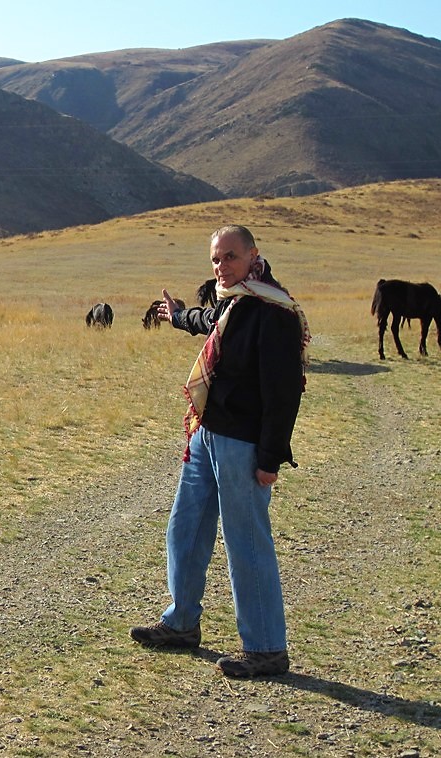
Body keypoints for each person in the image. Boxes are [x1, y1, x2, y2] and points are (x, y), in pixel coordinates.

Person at [129, 224, 311, 678]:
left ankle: (267, 647)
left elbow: (285, 392)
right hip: (206, 433)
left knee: (246, 542)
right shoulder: (232, 303)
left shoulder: (274, 311)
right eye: (215, 259)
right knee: (185, 528)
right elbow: (207, 321)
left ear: (253, 255)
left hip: (243, 445)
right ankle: (181, 623)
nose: (220, 266)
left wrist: (270, 459)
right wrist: (175, 316)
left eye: (229, 257)